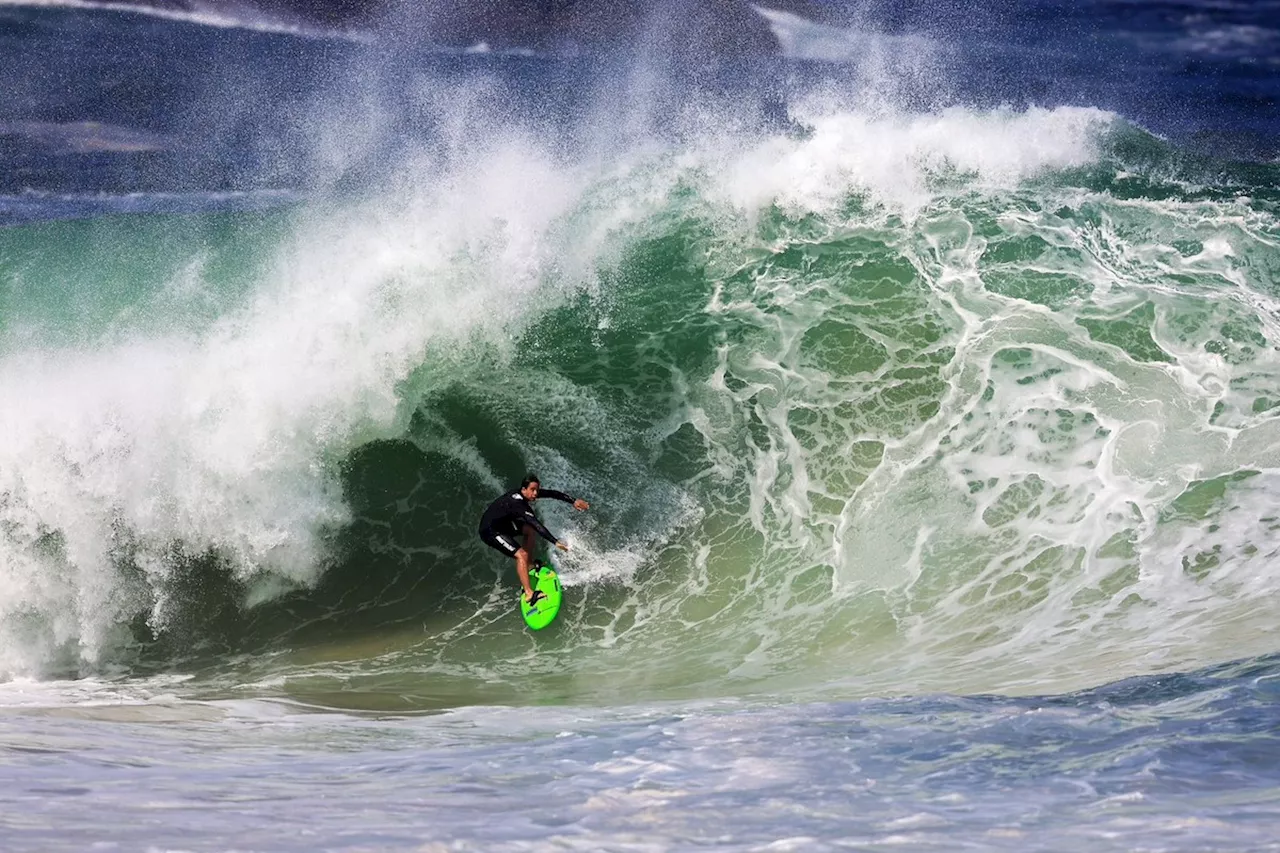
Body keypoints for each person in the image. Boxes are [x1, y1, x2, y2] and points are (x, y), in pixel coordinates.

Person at [478, 474, 589, 604]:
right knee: (521, 555)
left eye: (537, 489)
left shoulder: (525, 493)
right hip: (491, 531)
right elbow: (536, 524)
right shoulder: (518, 504)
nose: (535, 493)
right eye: (532, 490)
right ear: (524, 489)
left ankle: (530, 566)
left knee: (529, 531)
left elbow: (551, 493)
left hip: (502, 525)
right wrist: (555, 542)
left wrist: (573, 501)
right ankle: (529, 594)